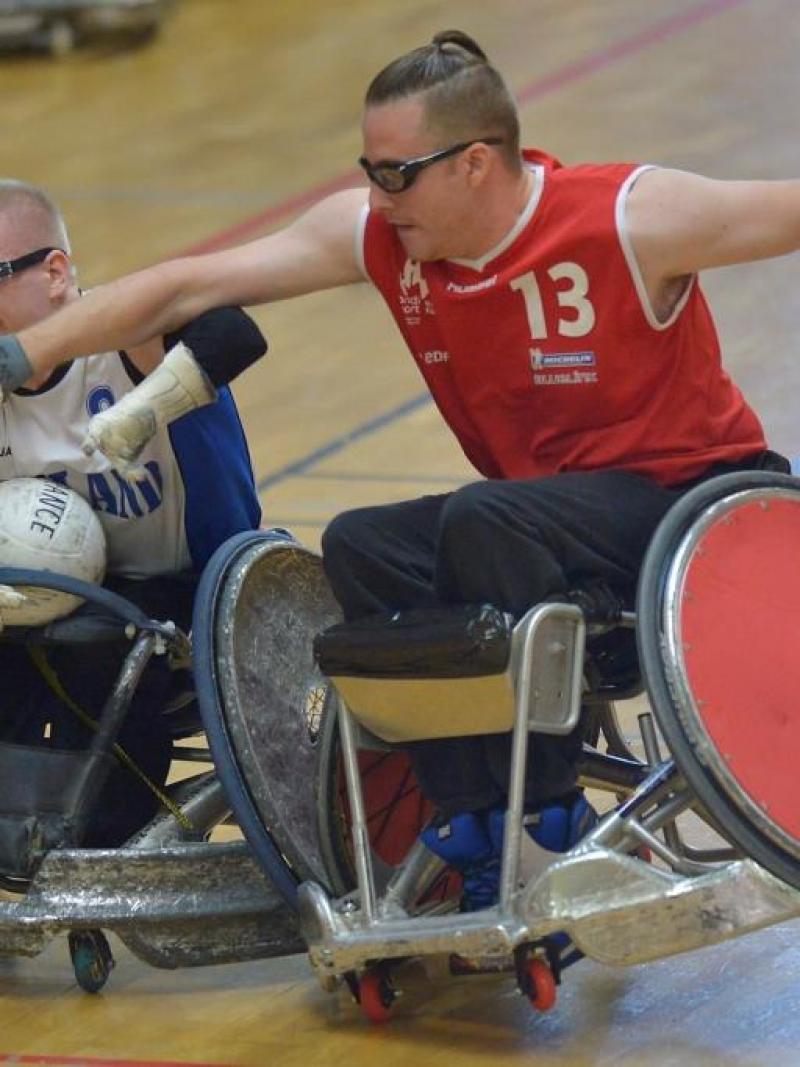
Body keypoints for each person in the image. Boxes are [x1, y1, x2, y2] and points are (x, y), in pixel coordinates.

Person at [0, 30, 792, 896]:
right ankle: (463, 822)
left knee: (485, 515)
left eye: (396, 172)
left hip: (694, 505)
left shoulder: (630, 215)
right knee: (364, 543)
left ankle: (549, 808)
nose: (377, 194)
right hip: (545, 522)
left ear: (477, 164)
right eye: (368, 168)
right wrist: (25, 351)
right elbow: (186, 287)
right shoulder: (382, 237)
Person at [0, 179, 267, 847]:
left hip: (182, 604)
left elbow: (237, 332)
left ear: (55, 271)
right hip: (42, 608)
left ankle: (95, 852)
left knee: (93, 645)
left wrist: (149, 403)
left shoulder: (128, 344)